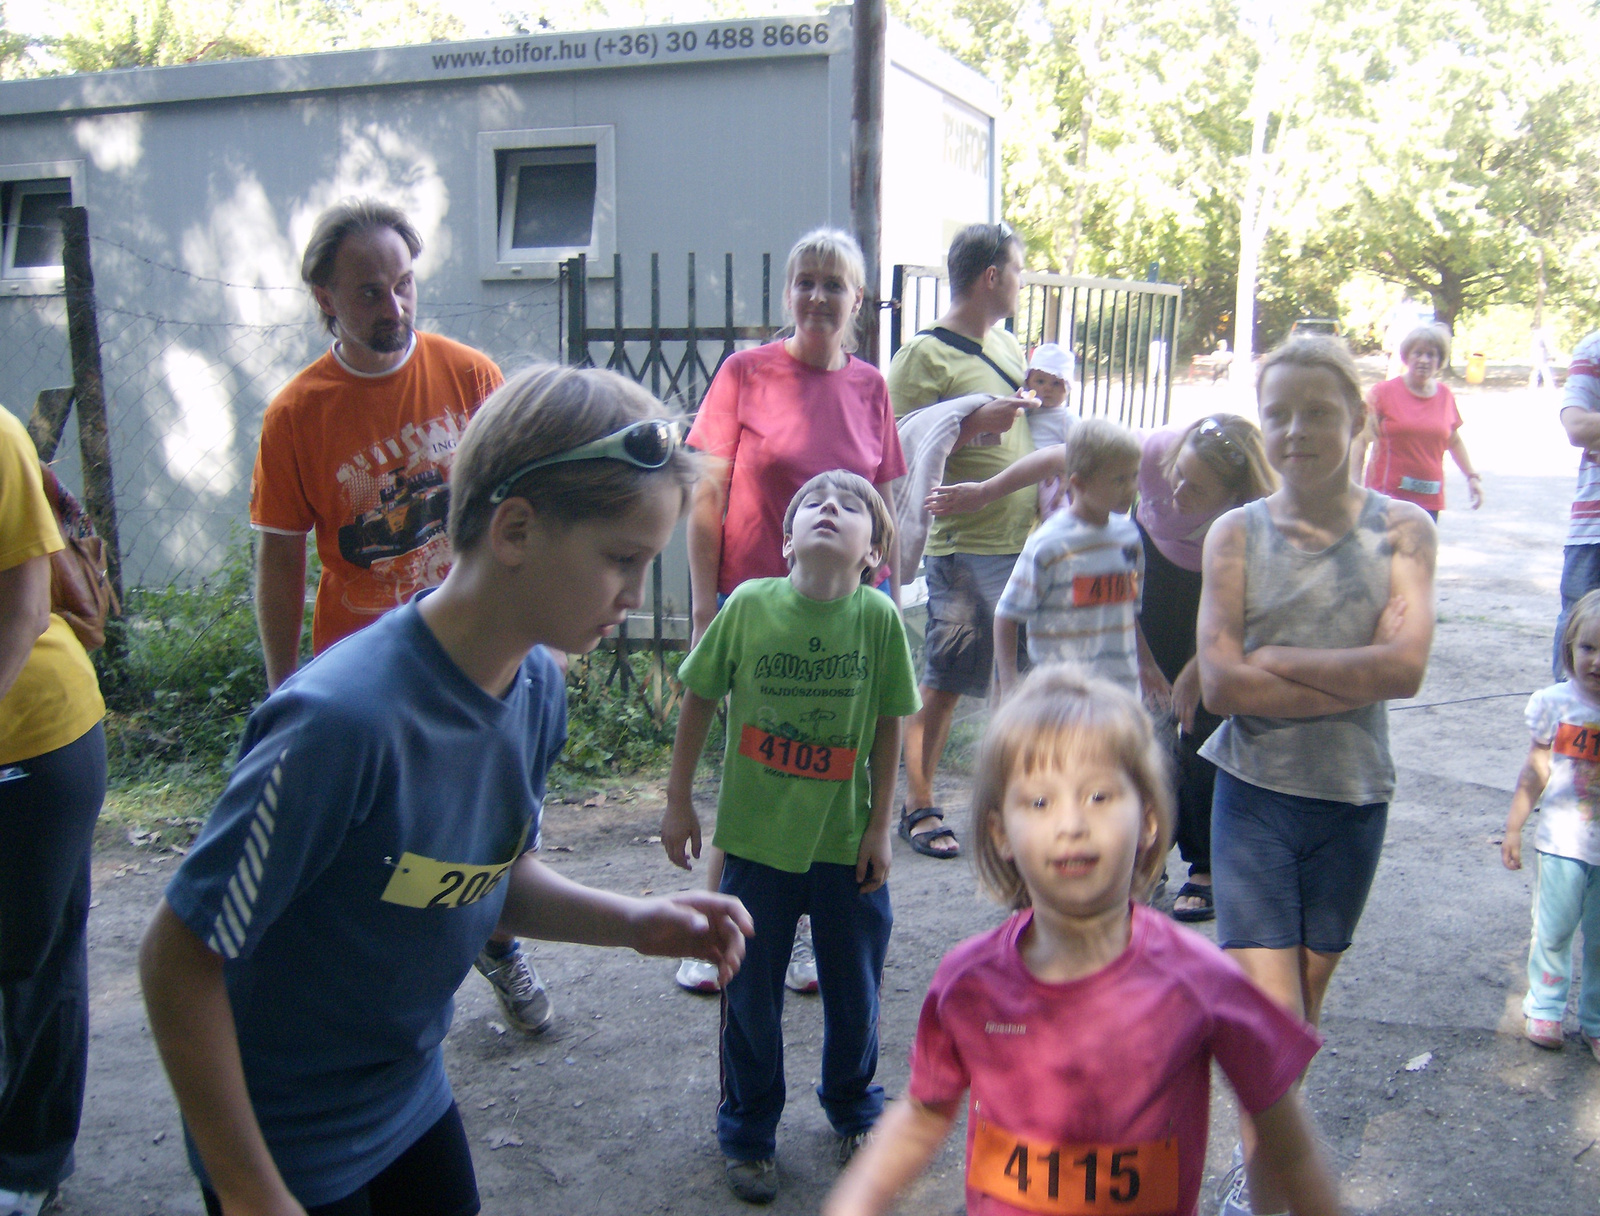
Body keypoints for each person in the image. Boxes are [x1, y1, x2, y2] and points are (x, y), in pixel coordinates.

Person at [140, 365, 753, 1216]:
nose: (634, 594)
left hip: (406, 1096)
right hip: (283, 1135)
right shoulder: (338, 725)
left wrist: (635, 922)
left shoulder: (536, 685)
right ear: (515, 530)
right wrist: (250, 1191)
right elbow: (178, 959)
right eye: (622, 558)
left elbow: (484, 881)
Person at [824, 665, 1340, 1216]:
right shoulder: (968, 982)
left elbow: (1286, 1132)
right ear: (1001, 834)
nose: (1071, 823)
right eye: (1040, 802)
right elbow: (925, 1112)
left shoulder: (1202, 981)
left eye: (1098, 795)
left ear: (1146, 819)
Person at [248, 199, 552, 1034]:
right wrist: (284, 688)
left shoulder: (469, 378)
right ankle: (391, 998)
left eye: (405, 284)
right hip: (367, 673)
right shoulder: (296, 414)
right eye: (369, 291)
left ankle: (498, 944)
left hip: (479, 655)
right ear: (325, 299)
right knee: (386, 848)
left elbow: (526, 510)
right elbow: (279, 563)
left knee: (494, 824)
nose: (394, 308)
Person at [1197, 335, 1435, 1215]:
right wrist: (1352, 662)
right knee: (1268, 1016)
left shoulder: (1405, 531)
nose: (1297, 430)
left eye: (1319, 413)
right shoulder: (1235, 533)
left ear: (1359, 421)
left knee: (1303, 1008)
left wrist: (1282, 656)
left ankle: (1265, 1153)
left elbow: (1403, 673)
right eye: (1280, 414)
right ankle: (1263, 1183)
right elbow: (1222, 685)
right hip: (1253, 797)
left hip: (1352, 799)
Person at [662, 471, 920, 1204]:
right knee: (748, 998)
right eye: (813, 502)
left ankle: (852, 1106)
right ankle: (747, 1129)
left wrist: (880, 827)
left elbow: (890, 726)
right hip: (755, 849)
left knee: (855, 994)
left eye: (851, 506)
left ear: (875, 553)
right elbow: (700, 699)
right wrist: (679, 800)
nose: (830, 508)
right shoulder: (748, 605)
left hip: (846, 850)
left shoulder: (877, 619)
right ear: (784, 541)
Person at [676, 228, 907, 994]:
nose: (817, 296)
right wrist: (703, 608)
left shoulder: (872, 387)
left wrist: (890, 600)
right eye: (804, 281)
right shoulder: (745, 374)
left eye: (833, 284)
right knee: (756, 764)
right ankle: (720, 927)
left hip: (848, 612)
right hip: (759, 608)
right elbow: (705, 494)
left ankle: (809, 928)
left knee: (833, 767)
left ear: (857, 302)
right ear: (787, 295)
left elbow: (885, 504)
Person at [888, 221, 1035, 859]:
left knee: (1018, 679)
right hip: (963, 543)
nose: (1023, 283)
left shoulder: (1004, 347)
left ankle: (1014, 803)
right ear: (991, 277)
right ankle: (917, 805)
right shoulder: (924, 355)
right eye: (1019, 271)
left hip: (1020, 540)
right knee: (946, 679)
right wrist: (975, 424)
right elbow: (896, 444)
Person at [0, 412, 108, 1216]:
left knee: (29, 962)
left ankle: (27, 1166)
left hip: (33, 737)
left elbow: (24, 612)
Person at [1137, 416, 1277, 923]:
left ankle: (1207, 865)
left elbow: (1247, 604)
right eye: (1179, 473)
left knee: (1203, 738)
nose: (1177, 489)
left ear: (1232, 495)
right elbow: (1062, 458)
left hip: (1212, 607)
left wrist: (1200, 668)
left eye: (1196, 487)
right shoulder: (1153, 454)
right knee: (1144, 746)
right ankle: (1147, 862)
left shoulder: (1254, 518)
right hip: (1149, 591)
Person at [1502, 589, 1600, 1057]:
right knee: (1555, 930)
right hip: (1563, 843)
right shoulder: (1555, 704)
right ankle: (1545, 1007)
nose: (1597, 661)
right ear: (1569, 647)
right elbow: (1535, 769)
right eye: (1588, 648)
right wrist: (1515, 827)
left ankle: (1596, 1019)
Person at [992, 418, 1143, 700]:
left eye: (1134, 475)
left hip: (1121, 693)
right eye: (1119, 479)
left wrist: (1147, 666)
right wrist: (1010, 685)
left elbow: (1127, 611)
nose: (1131, 487)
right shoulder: (1048, 545)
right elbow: (1006, 615)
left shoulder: (1129, 536)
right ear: (1079, 484)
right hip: (1063, 696)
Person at [1352, 323, 1482, 522]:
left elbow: (1453, 440)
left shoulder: (1445, 396)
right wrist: (1354, 487)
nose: (1424, 360)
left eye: (1431, 355)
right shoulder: (1383, 393)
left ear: (1439, 361)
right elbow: (1360, 441)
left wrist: (1471, 477)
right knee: (1384, 553)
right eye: (1418, 353)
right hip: (1386, 498)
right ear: (1406, 356)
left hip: (1428, 501)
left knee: (1421, 553)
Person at [1555, 330, 1600, 679]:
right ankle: (1563, 730)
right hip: (1593, 528)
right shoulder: (1592, 349)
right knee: (1579, 631)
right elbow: (1575, 426)